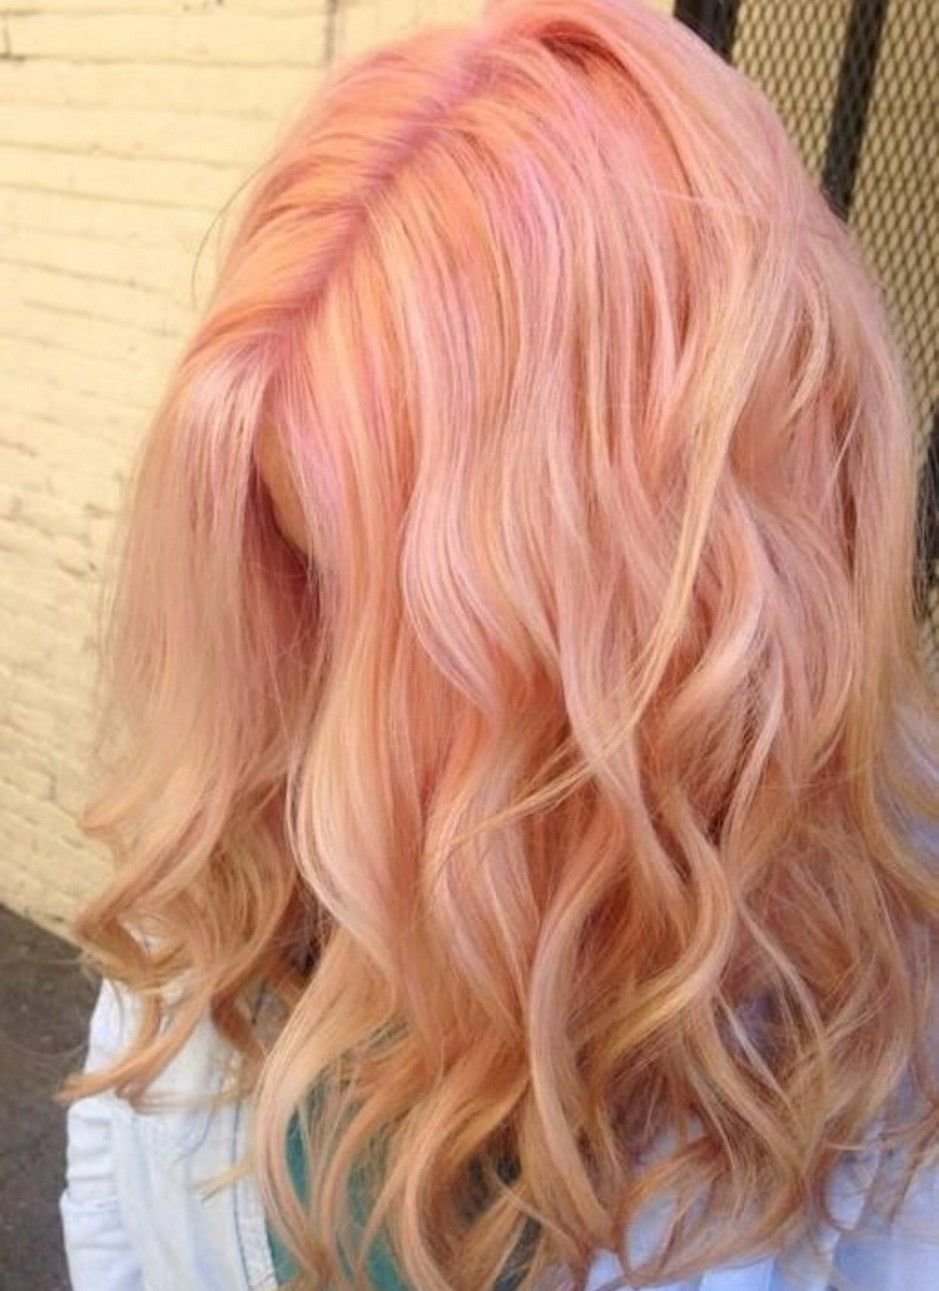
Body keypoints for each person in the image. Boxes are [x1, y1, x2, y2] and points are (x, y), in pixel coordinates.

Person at [56, 0, 939, 1287]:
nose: (327, 734)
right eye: (308, 570)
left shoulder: (880, 1030)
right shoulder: (253, 789)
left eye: (417, 626)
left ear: (679, 606)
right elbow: (118, 1175)